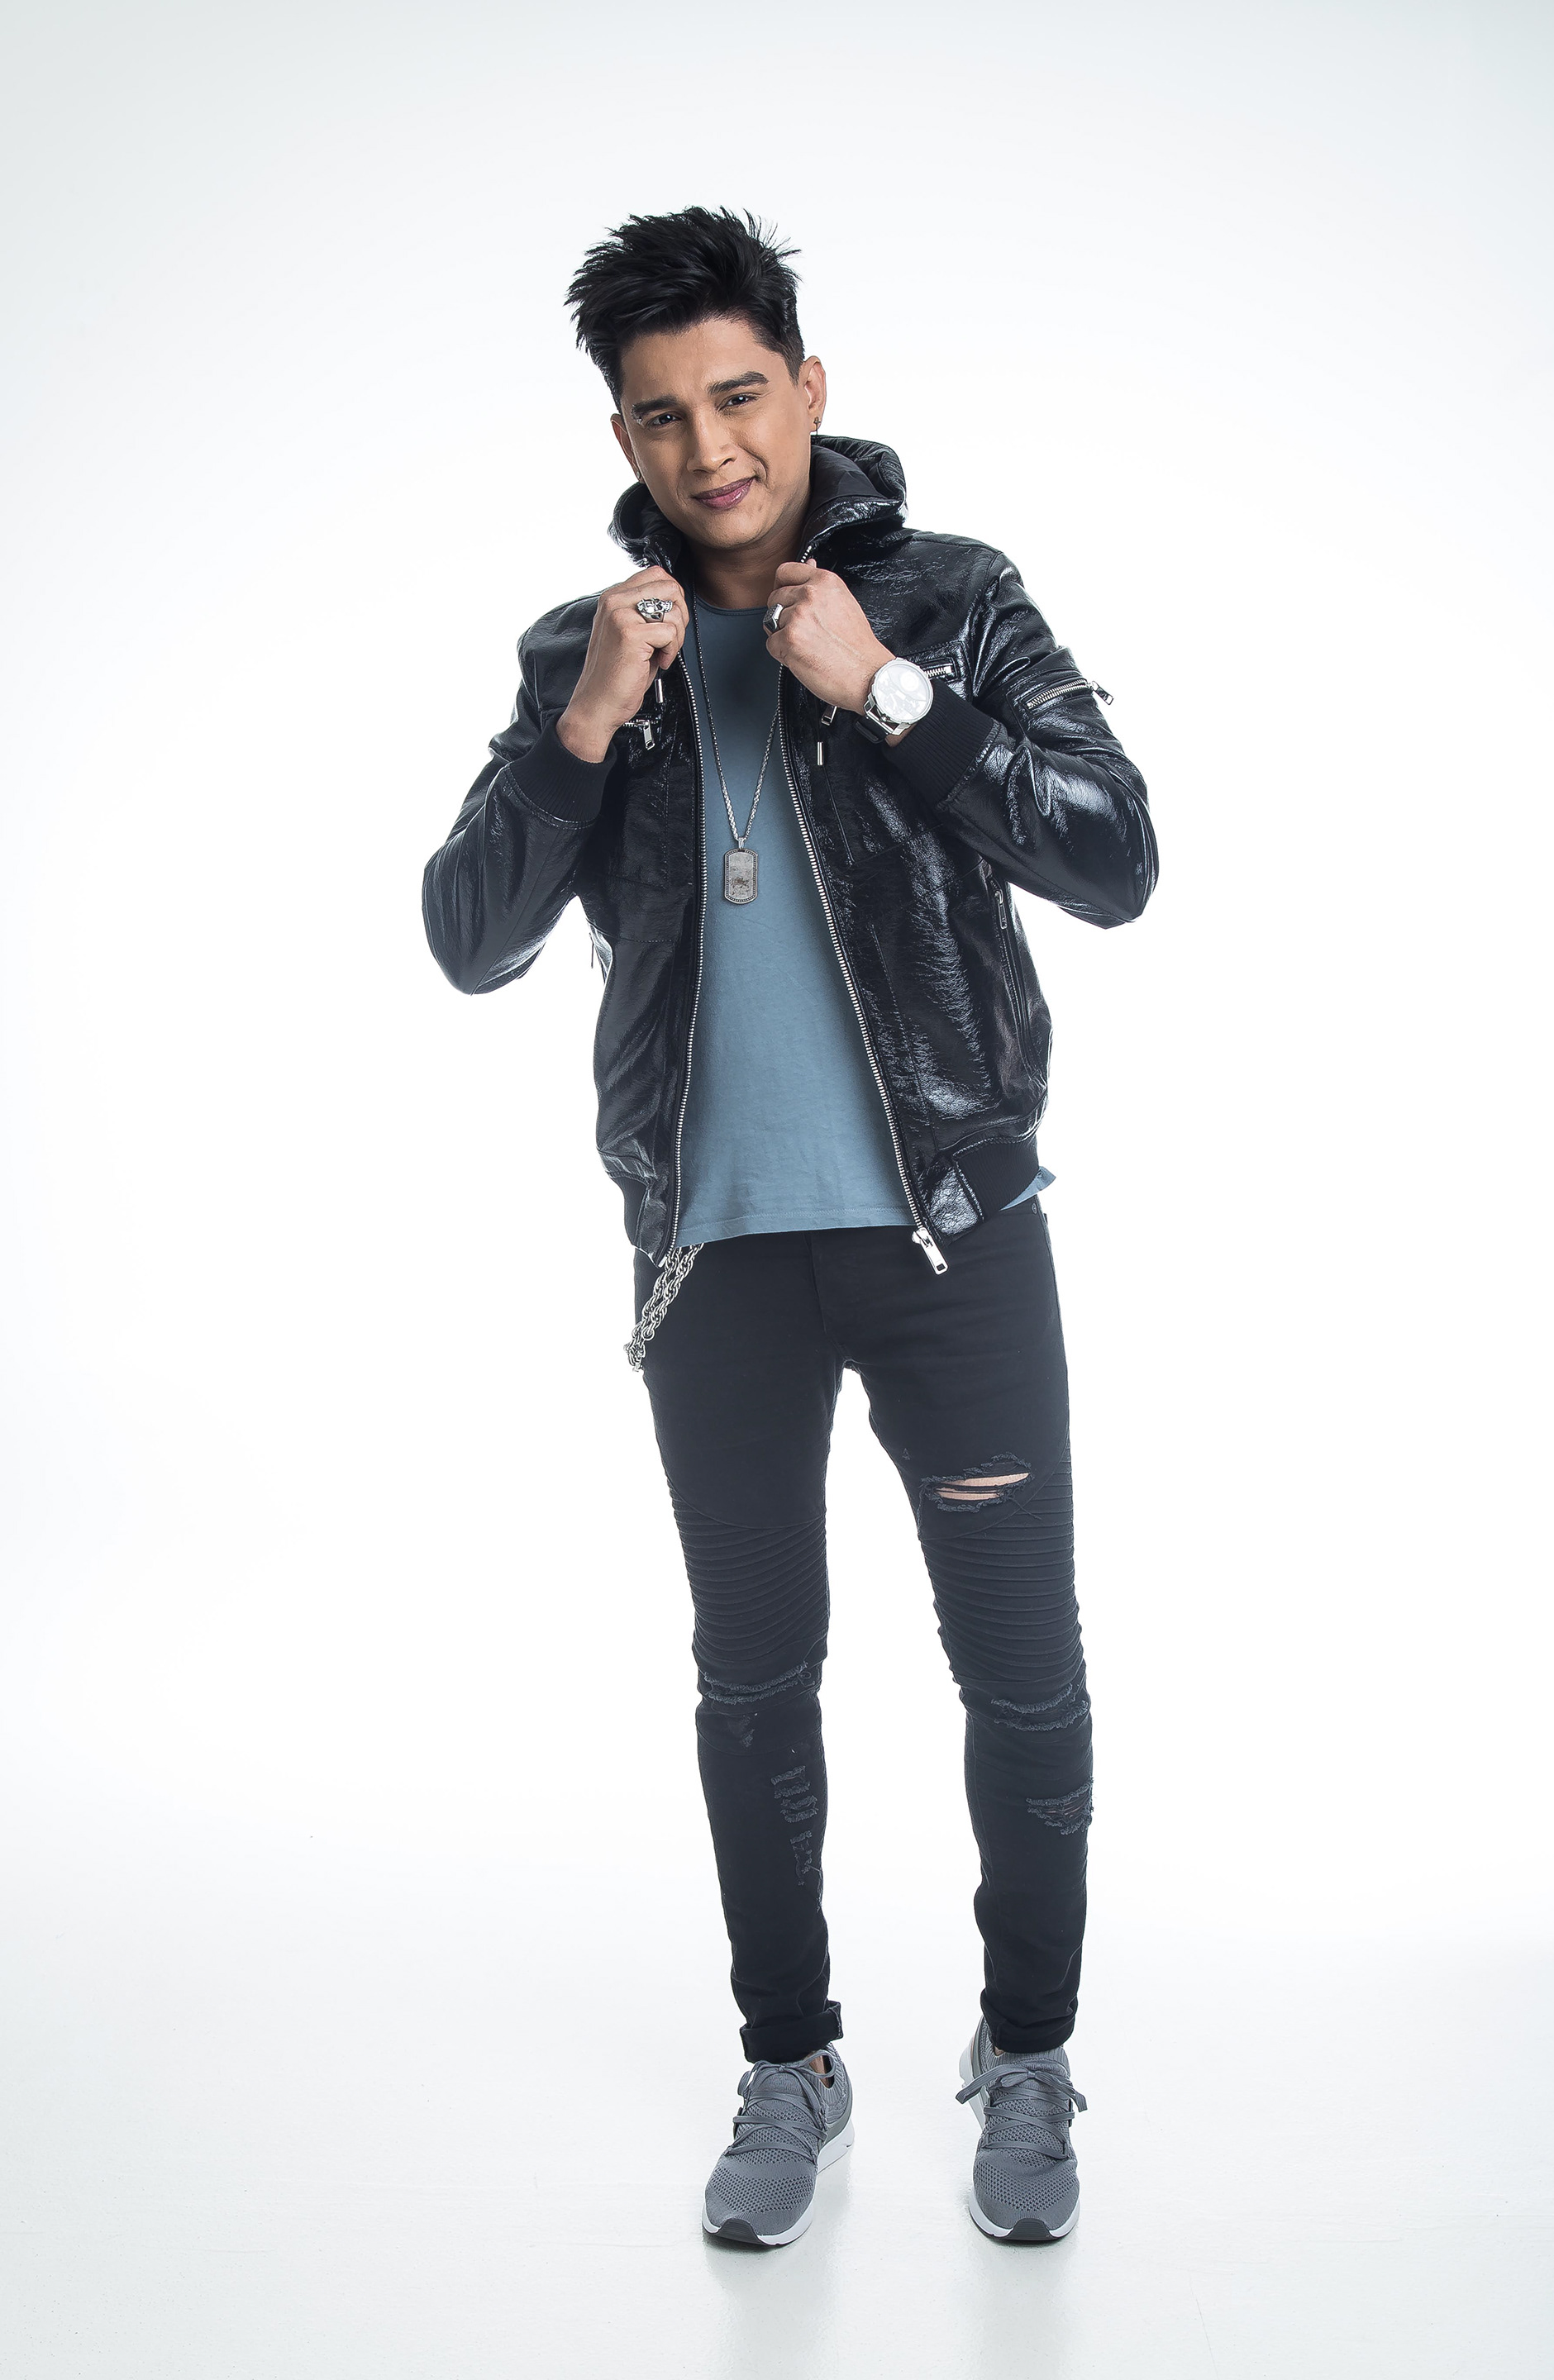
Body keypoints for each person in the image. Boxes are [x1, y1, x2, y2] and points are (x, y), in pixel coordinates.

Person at [422, 207, 1157, 2249]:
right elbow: (468, 937)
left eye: (740, 396)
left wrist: (894, 692)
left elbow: (1116, 859)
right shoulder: (588, 653)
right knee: (752, 1680)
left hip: (953, 1236)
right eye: (663, 415)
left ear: (809, 389)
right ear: (625, 436)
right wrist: (583, 720)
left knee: (1021, 1674)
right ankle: (790, 2060)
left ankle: (1029, 2054)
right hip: (713, 1260)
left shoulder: (954, 599)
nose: (711, 447)